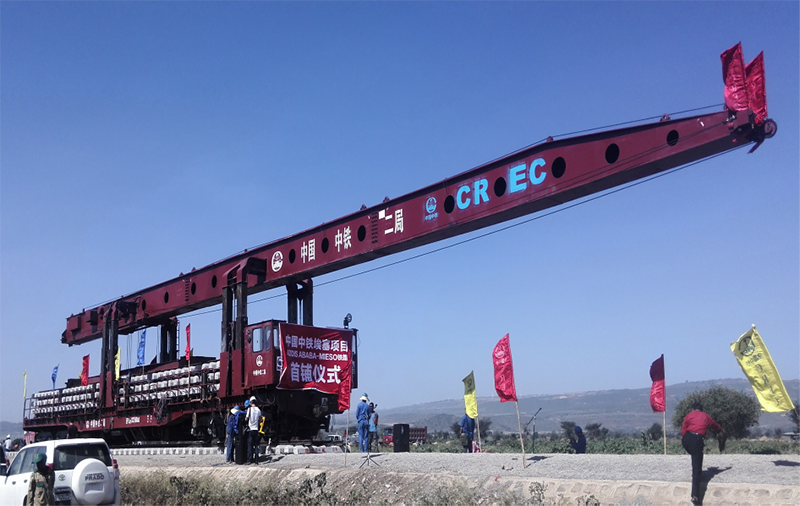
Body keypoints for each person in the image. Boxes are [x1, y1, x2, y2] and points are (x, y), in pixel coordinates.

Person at [681, 402, 722, 505]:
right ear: (702, 410)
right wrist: (719, 431)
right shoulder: (706, 417)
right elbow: (717, 427)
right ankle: (695, 497)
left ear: (693, 409)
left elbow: (683, 431)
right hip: (697, 439)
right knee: (696, 468)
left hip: (686, 439)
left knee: (695, 457)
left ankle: (697, 466)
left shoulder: (689, 415)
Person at [246, 396, 262, 464]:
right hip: (256, 429)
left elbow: (246, 418)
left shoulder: (249, 409)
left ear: (250, 402)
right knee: (256, 445)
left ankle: (249, 459)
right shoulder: (258, 410)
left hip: (251, 429)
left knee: (250, 445)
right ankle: (256, 460)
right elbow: (260, 418)